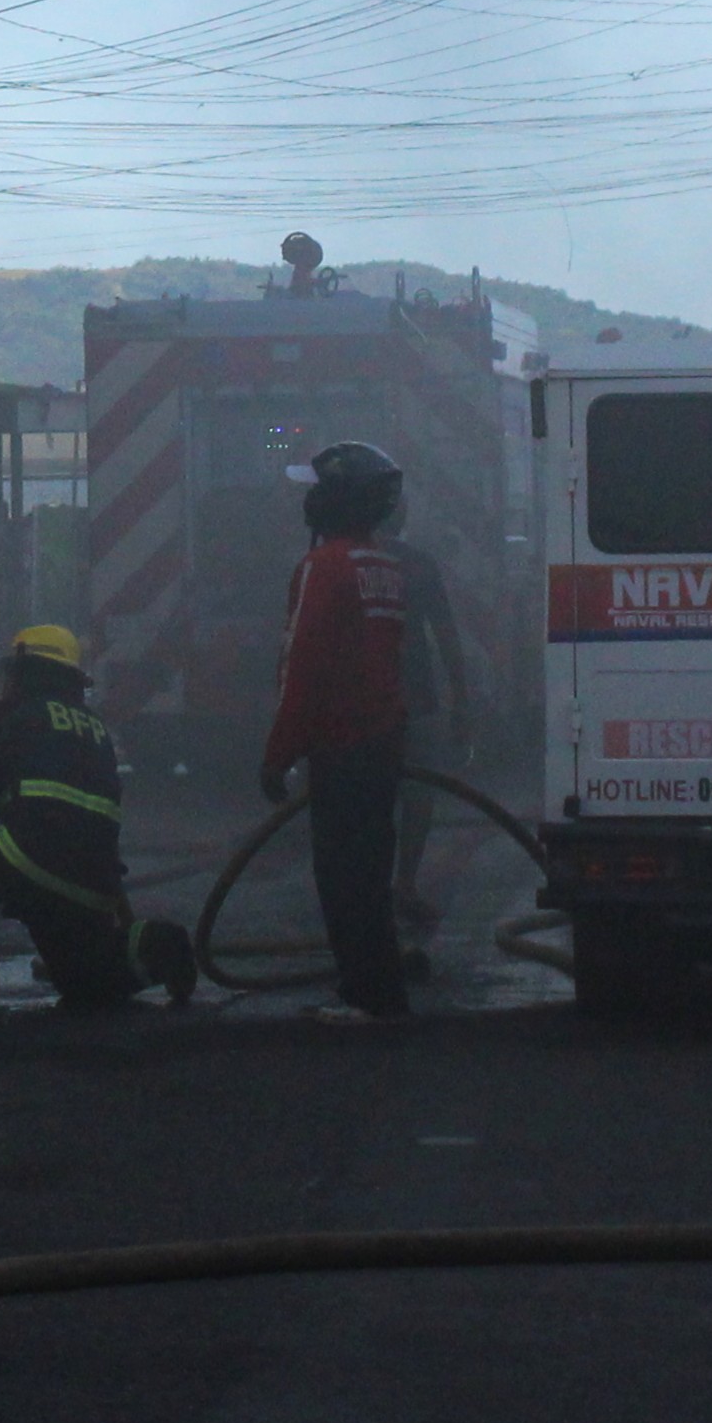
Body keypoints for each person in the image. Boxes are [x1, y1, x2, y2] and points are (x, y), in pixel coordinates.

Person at [0, 626, 197, 1014]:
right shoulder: (92, 726)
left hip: (35, 856)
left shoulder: (15, 717)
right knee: (85, 981)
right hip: (93, 880)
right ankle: (160, 947)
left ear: (24, 672)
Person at [263, 439, 414, 1024]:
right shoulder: (385, 567)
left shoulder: (322, 569)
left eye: (319, 491)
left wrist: (278, 754)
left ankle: (367, 995)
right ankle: (382, 988)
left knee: (343, 878)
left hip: (342, 747)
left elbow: (302, 665)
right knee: (370, 874)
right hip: (381, 741)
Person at [385, 522, 479, 939]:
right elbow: (445, 635)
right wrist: (461, 702)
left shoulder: (334, 563)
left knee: (366, 802)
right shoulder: (417, 564)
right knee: (417, 799)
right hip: (416, 701)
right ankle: (402, 884)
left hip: (361, 707)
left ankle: (370, 890)